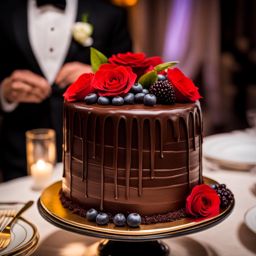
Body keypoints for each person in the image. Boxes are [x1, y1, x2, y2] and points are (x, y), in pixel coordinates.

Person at [0, 0, 132, 181]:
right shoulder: (3, 11)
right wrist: (4, 92)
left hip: (92, 158)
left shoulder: (111, 14)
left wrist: (97, 76)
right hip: (18, 159)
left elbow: (131, 81)